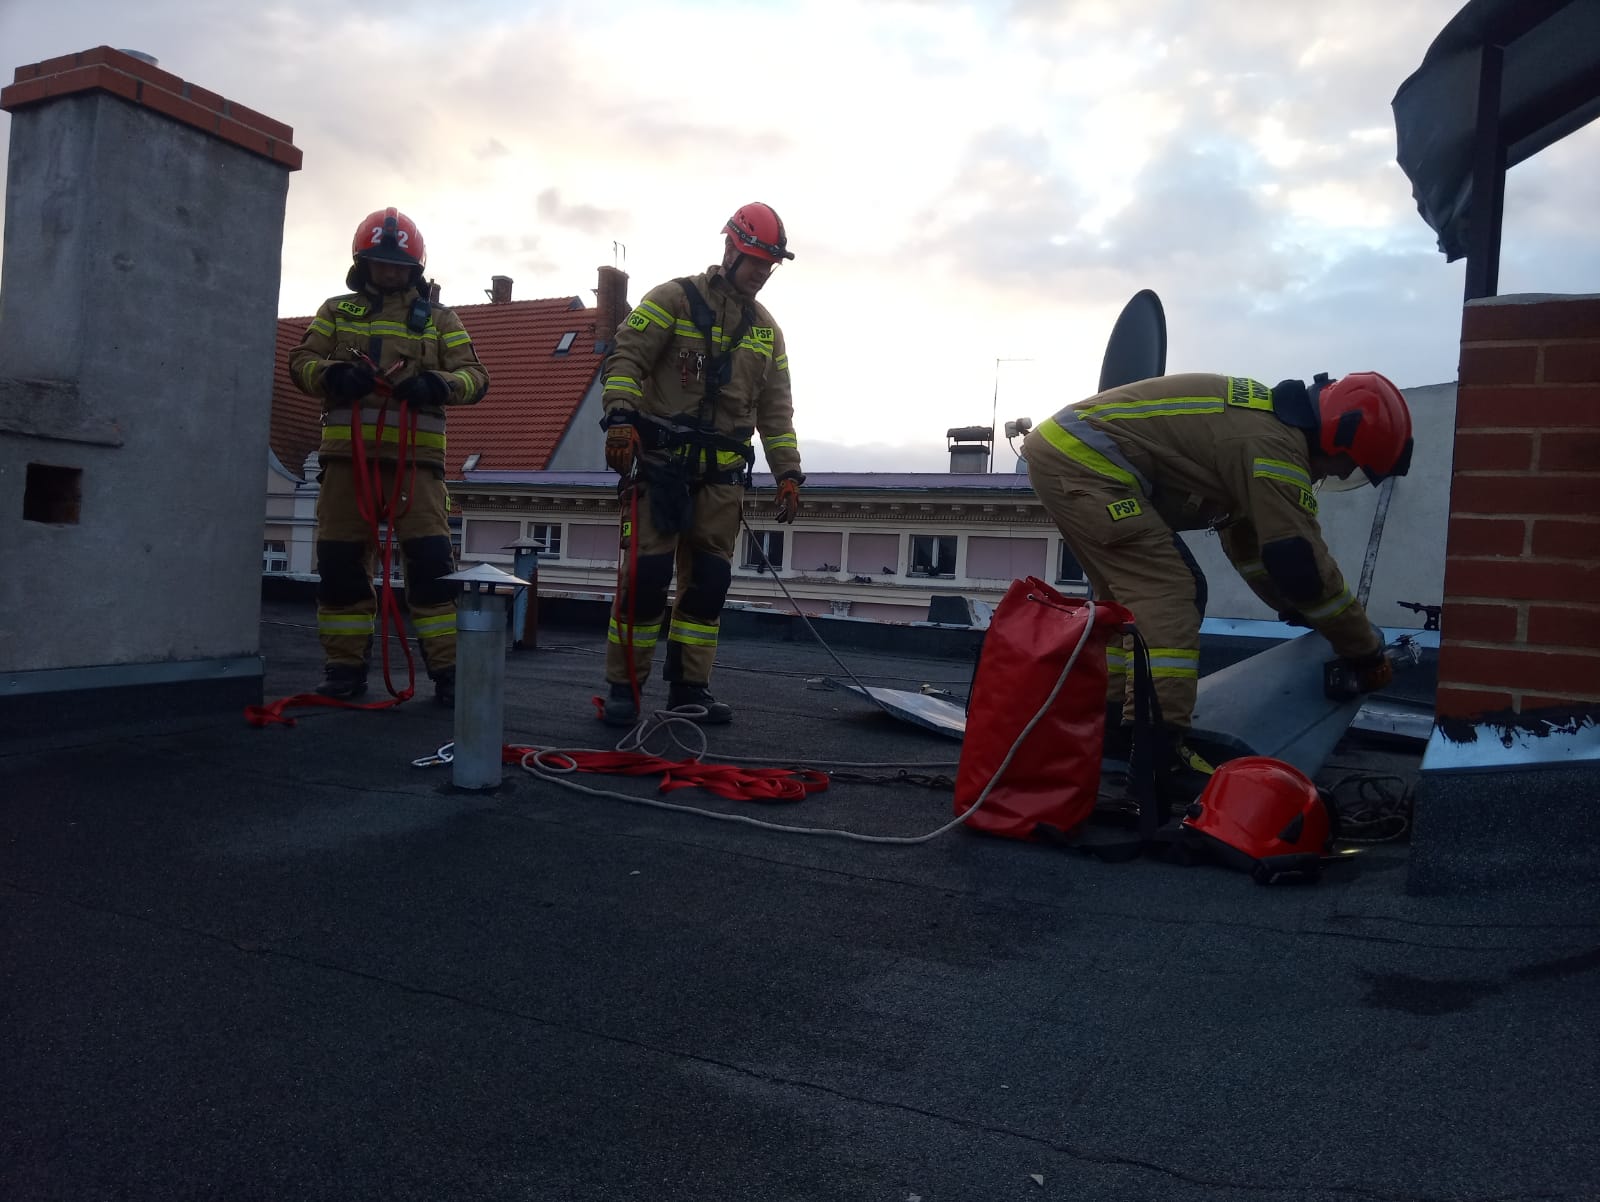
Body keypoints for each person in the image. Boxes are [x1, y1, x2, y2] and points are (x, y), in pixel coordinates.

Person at [1022, 371, 1413, 803]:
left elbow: (1251, 550)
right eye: (1349, 466)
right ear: (1337, 437)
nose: (1340, 474)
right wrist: (1364, 648)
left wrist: (1291, 605)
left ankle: (1116, 736)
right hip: (1089, 464)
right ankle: (1158, 758)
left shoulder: (1259, 429)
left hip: (1068, 455)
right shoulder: (1275, 448)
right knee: (1171, 592)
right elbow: (1301, 563)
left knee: (1126, 606)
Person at [598, 202, 805, 726]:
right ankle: (624, 688)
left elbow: (776, 410)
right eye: (756, 260)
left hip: (721, 479)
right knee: (646, 579)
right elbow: (625, 358)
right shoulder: (672, 300)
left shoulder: (767, 331)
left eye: (769, 265)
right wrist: (620, 417)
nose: (762, 272)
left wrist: (788, 473)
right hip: (661, 468)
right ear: (731, 250)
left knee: (709, 585)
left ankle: (689, 689)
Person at [288, 207, 489, 707]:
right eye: (380, 262)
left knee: (431, 566)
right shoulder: (336, 311)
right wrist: (333, 374)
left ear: (415, 269)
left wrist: (436, 384)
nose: (390, 272)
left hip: (416, 468)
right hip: (346, 463)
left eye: (398, 265)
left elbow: (476, 377)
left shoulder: (440, 320)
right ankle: (344, 669)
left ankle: (449, 673)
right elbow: (301, 363)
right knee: (340, 565)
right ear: (363, 263)